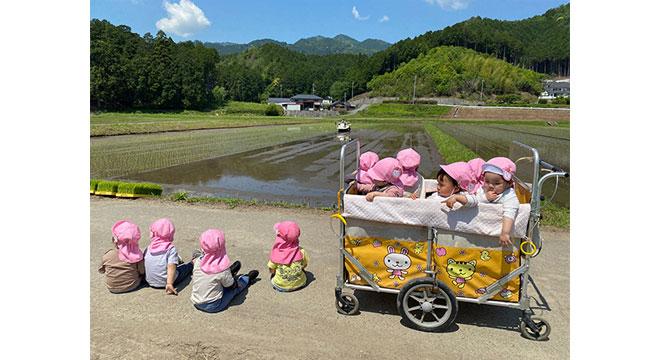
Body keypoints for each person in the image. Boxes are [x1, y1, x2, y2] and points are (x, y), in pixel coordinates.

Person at [442, 157, 520, 246]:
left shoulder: (509, 195)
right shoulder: (482, 190)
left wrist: (505, 232)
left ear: (509, 184)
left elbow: (510, 213)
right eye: (487, 181)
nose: (490, 186)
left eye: (497, 183)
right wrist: (457, 197)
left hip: (496, 234)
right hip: (477, 229)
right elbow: (474, 200)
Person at [190, 229, 259, 313]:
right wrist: (235, 283)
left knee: (216, 279)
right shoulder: (221, 269)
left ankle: (229, 275)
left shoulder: (198, 262)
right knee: (234, 289)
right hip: (213, 305)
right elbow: (231, 286)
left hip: (196, 300)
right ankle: (246, 279)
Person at [144, 218, 196, 295]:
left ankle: (177, 259)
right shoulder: (171, 249)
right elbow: (171, 267)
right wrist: (169, 283)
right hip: (166, 282)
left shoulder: (149, 248)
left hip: (150, 281)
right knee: (184, 268)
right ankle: (192, 263)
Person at [98, 220, 145, 293]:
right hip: (132, 286)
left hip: (112, 287)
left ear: (114, 240)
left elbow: (101, 270)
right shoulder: (137, 255)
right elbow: (142, 271)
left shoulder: (108, 255)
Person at [267, 221, 309, 292]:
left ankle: (283, 282)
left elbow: (271, 269)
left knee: (273, 277)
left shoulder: (276, 253)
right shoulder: (301, 251)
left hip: (281, 286)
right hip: (301, 283)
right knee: (303, 272)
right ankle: (296, 280)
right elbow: (304, 265)